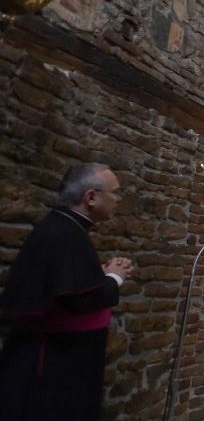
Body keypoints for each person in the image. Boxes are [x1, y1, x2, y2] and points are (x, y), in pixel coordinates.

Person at [0, 163, 135, 421]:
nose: (118, 200)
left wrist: (102, 275)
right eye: (115, 192)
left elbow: (69, 284)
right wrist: (115, 278)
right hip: (54, 362)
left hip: (58, 355)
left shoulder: (64, 227)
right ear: (91, 197)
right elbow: (80, 301)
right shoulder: (66, 233)